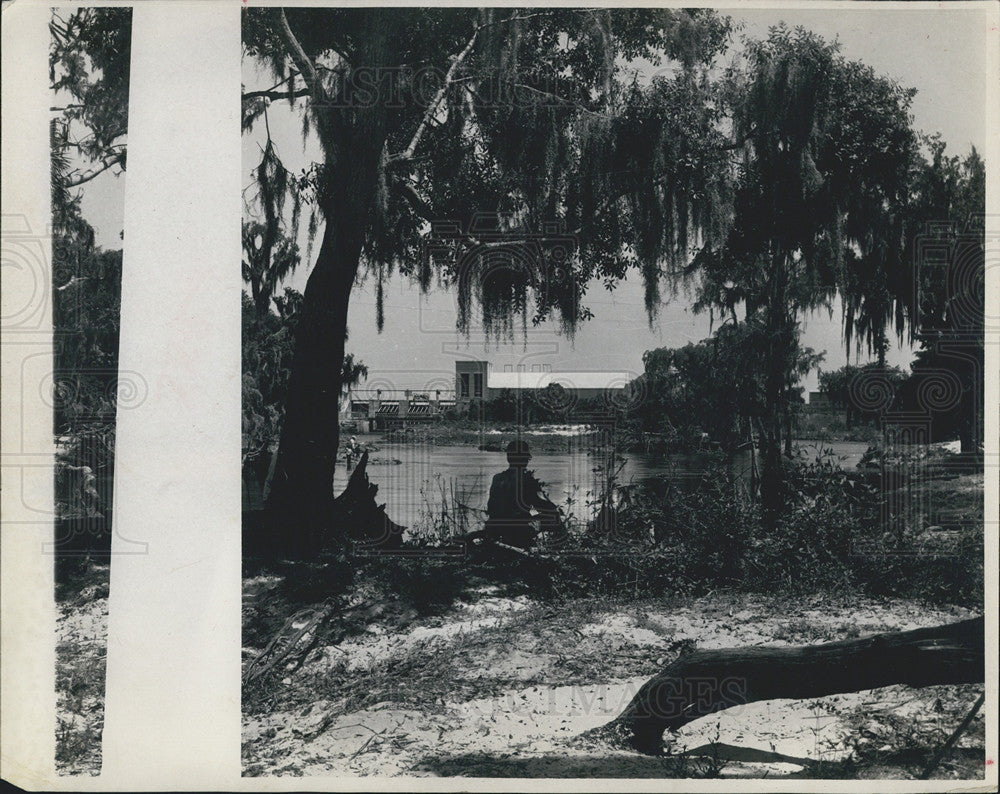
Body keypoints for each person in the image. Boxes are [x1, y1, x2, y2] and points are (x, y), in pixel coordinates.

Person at [484, 440, 561, 550]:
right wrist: (554, 510)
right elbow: (540, 505)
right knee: (554, 517)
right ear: (524, 458)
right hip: (517, 529)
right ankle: (555, 546)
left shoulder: (497, 478)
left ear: (508, 458)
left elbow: (491, 507)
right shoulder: (526, 480)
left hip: (496, 526)